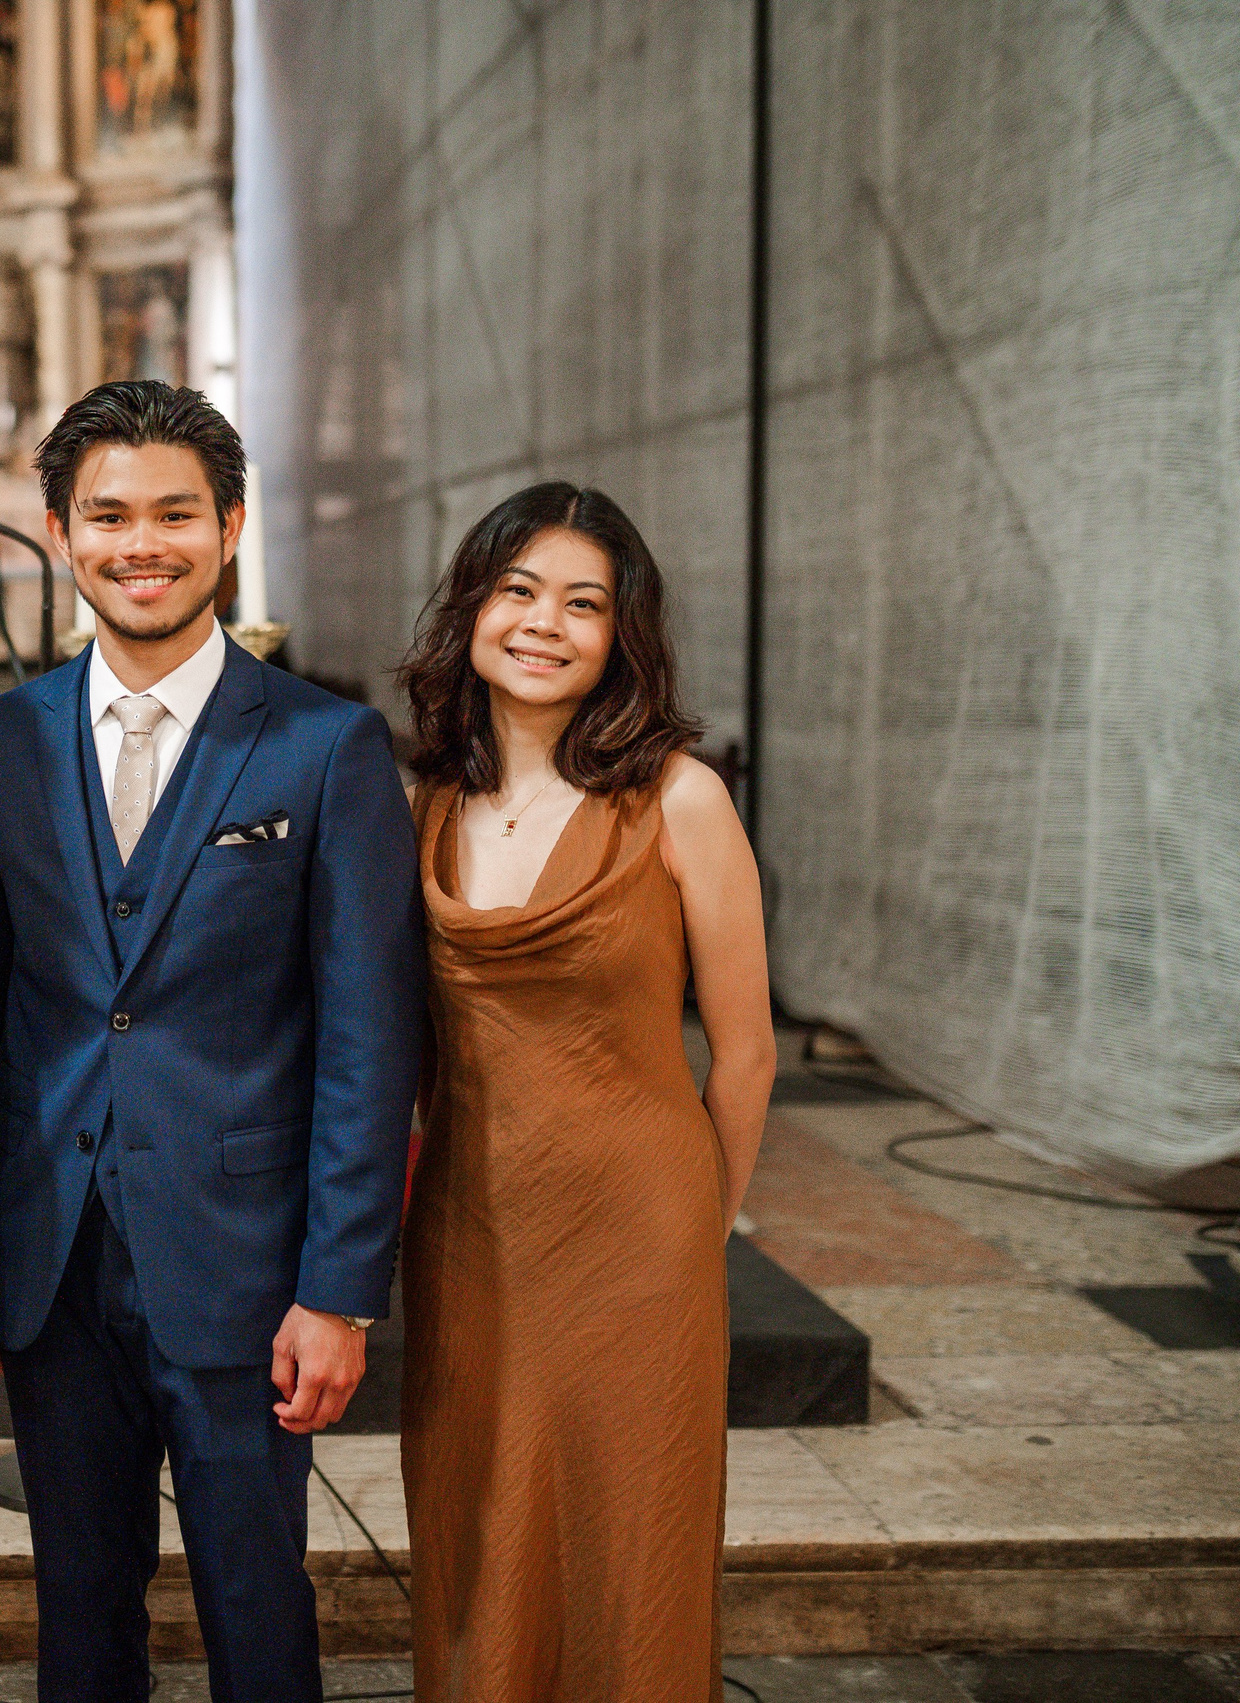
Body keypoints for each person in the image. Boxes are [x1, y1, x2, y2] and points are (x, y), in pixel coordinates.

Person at [0, 380, 430, 1703]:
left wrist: (340, 1285)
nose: (138, 543)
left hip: (249, 1263)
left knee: (257, 1602)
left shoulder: (328, 744)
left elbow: (370, 1040)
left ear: (229, 526)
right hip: (53, 1257)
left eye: (172, 513)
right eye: (106, 515)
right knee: (79, 1607)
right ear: (59, 528)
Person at [395, 482, 776, 1701]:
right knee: (479, 1524)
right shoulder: (420, 805)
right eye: (517, 591)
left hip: (639, 1240)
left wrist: (706, 1220)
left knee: (631, 1541)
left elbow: (747, 1046)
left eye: (583, 602)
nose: (543, 623)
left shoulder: (678, 797)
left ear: (622, 636)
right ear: (470, 611)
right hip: (470, 1233)